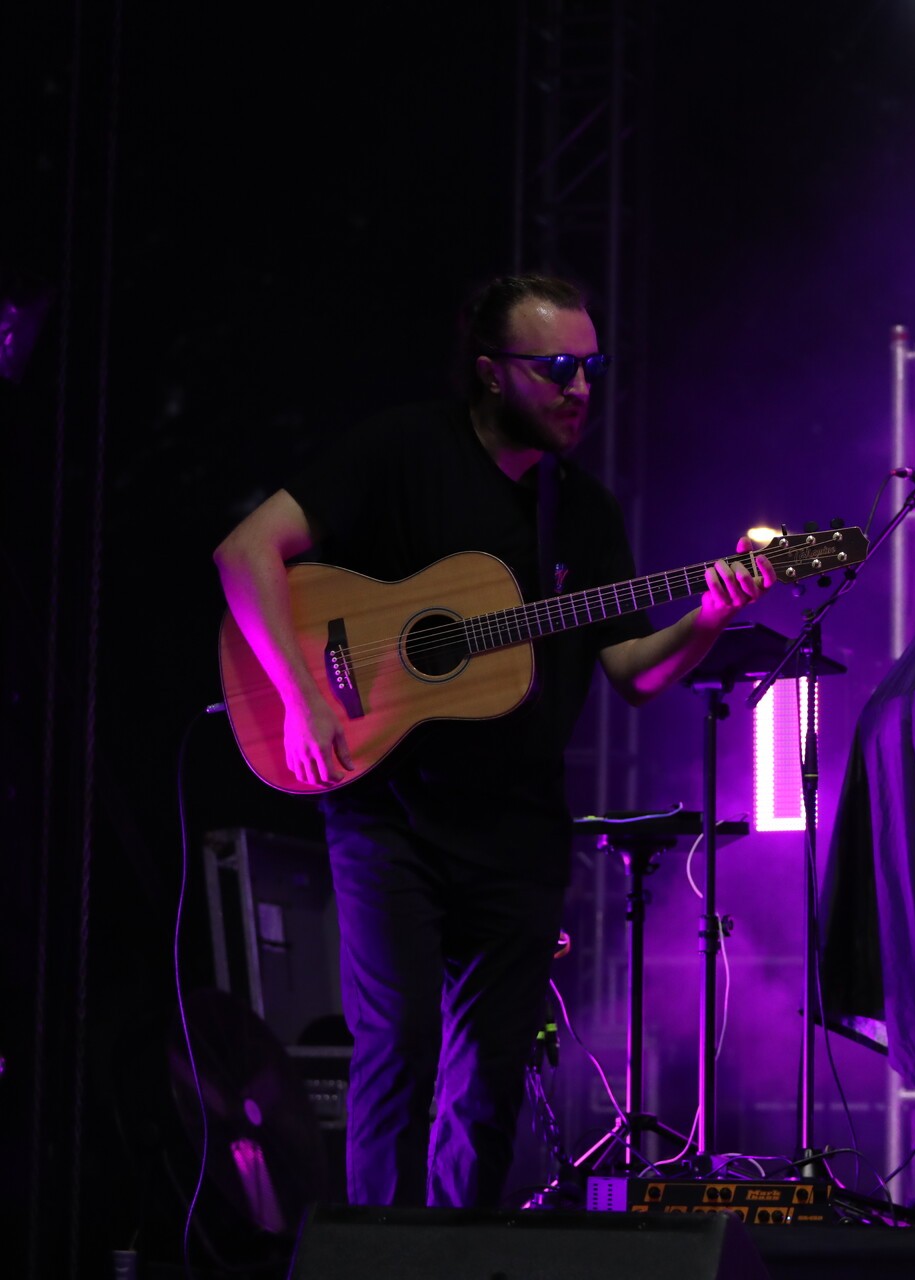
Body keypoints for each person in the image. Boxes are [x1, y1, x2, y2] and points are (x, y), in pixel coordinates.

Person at [213, 274, 771, 1208]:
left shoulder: (582, 512)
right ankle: (375, 1265)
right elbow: (244, 553)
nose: (580, 388)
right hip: (391, 814)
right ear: (489, 371)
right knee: (398, 1050)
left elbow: (634, 672)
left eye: (591, 367)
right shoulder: (402, 452)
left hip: (518, 833)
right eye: (556, 368)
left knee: (489, 1085)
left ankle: (455, 1258)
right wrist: (303, 697)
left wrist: (709, 616)